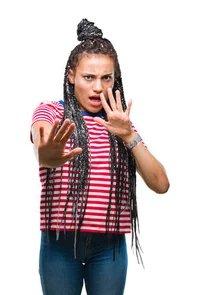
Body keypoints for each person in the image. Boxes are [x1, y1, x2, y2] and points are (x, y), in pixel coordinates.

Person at [30, 19, 169, 295]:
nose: (98, 87)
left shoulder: (119, 125)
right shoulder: (53, 112)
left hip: (109, 247)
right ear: (71, 76)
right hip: (59, 245)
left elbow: (161, 184)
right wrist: (47, 153)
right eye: (88, 77)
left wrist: (129, 135)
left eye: (106, 78)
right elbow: (41, 142)